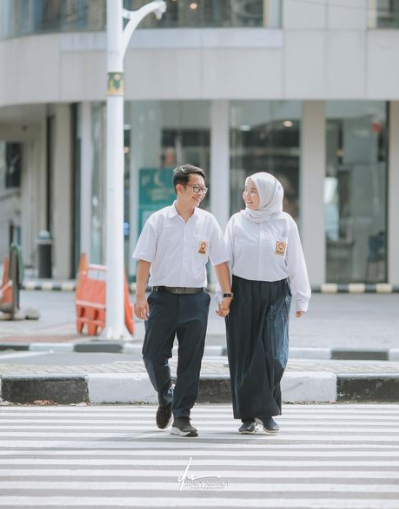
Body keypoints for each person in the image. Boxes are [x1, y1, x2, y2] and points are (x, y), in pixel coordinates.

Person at [133, 164, 232, 438]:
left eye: (203, 189)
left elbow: (220, 261)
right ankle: (166, 397)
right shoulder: (158, 220)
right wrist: (140, 295)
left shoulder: (208, 222)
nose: (200, 193)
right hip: (162, 298)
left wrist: (227, 293)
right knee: (152, 355)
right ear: (180, 188)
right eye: (195, 188)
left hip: (195, 301)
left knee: (191, 361)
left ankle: (183, 417)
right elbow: (144, 259)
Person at [221, 172, 311, 435]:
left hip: (275, 294)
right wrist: (223, 295)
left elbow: (296, 261)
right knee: (244, 355)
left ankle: (265, 409)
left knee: (274, 354)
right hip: (241, 292)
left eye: (253, 191)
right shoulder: (237, 222)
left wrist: (301, 297)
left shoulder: (285, 223)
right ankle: (250, 416)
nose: (247, 196)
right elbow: (224, 262)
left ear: (269, 195)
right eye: (246, 190)